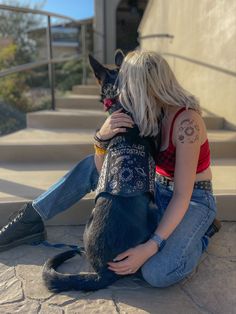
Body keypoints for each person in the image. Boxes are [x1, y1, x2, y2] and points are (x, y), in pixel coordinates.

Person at [0, 50, 220, 288]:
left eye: (127, 85)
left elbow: (182, 195)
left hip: (193, 198)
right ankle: (31, 218)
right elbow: (103, 170)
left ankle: (202, 233)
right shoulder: (148, 112)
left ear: (147, 85)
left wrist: (151, 246)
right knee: (89, 166)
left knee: (157, 273)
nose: (120, 93)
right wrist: (101, 139)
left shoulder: (186, 121)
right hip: (156, 188)